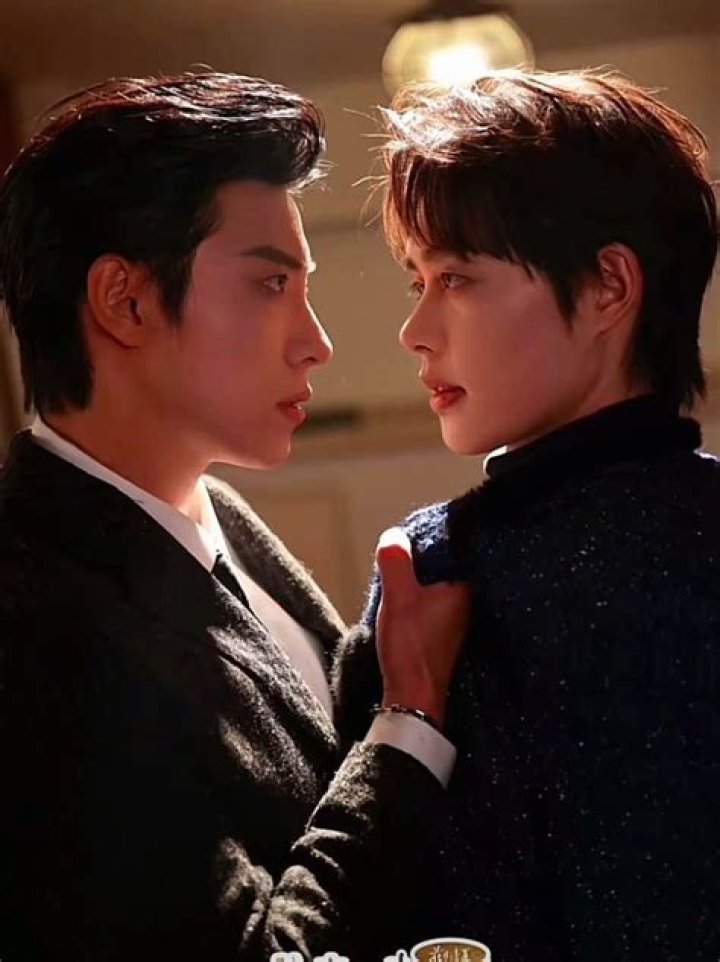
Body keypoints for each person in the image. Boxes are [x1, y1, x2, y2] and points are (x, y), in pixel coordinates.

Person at [0, 73, 470, 962]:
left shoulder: (217, 512)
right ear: (126, 301)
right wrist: (408, 727)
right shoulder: (34, 628)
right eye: (269, 284)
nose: (316, 342)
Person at [334, 69, 720, 961]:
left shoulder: (434, 572)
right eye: (417, 279)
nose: (415, 330)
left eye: (456, 277)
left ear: (608, 287)